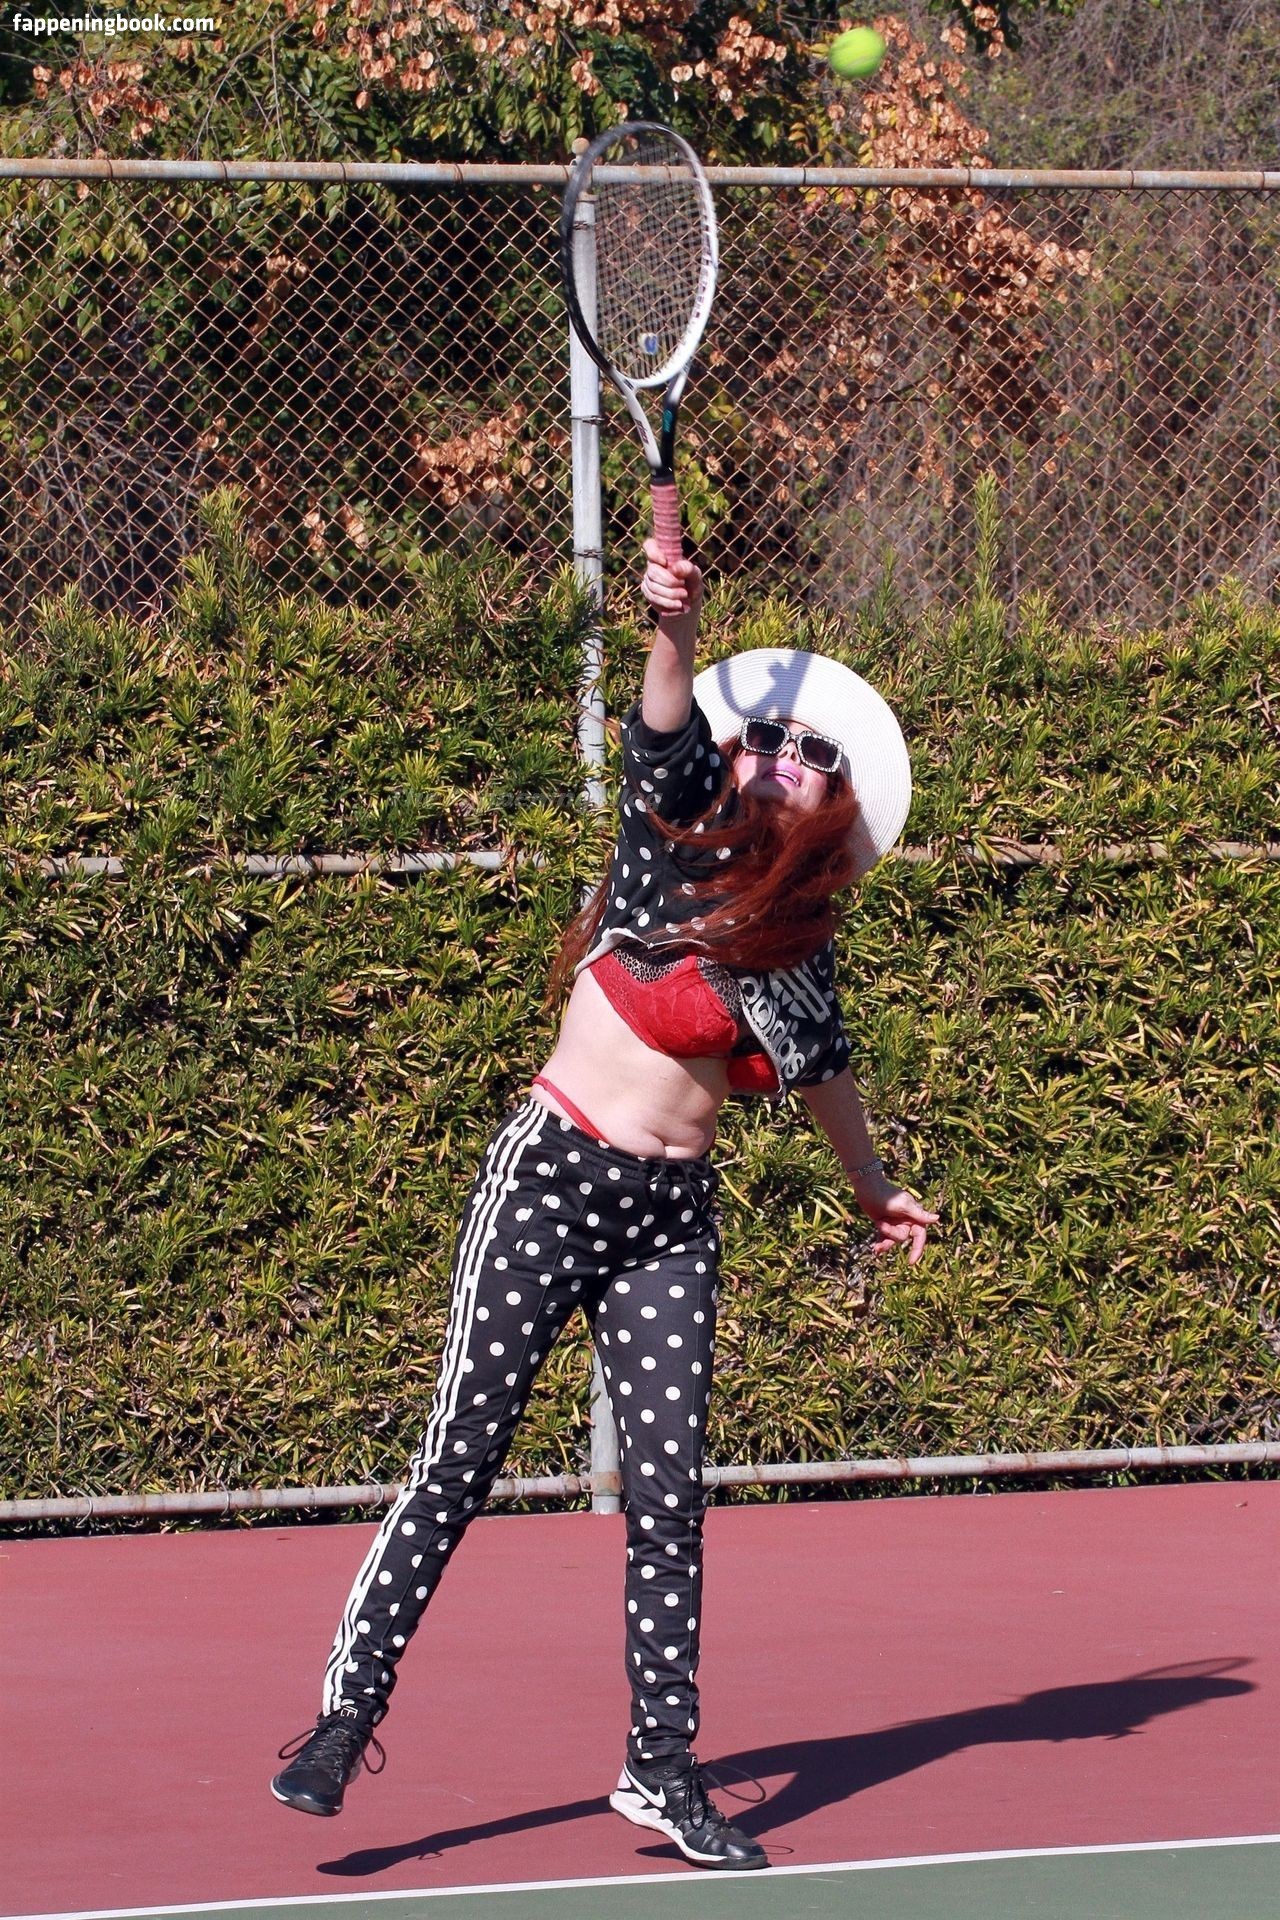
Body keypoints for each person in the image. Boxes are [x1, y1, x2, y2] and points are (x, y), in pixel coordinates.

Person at [270, 539, 941, 1872]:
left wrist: (876, 1189)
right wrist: (668, 622)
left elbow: (828, 1080)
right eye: (770, 738)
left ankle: (661, 1771)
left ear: (838, 803)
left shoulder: (801, 946)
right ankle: (344, 1721)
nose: (782, 758)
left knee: (670, 1501)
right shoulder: (671, 828)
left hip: (669, 1222)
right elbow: (665, 715)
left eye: (814, 754)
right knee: (461, 1459)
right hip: (551, 1176)